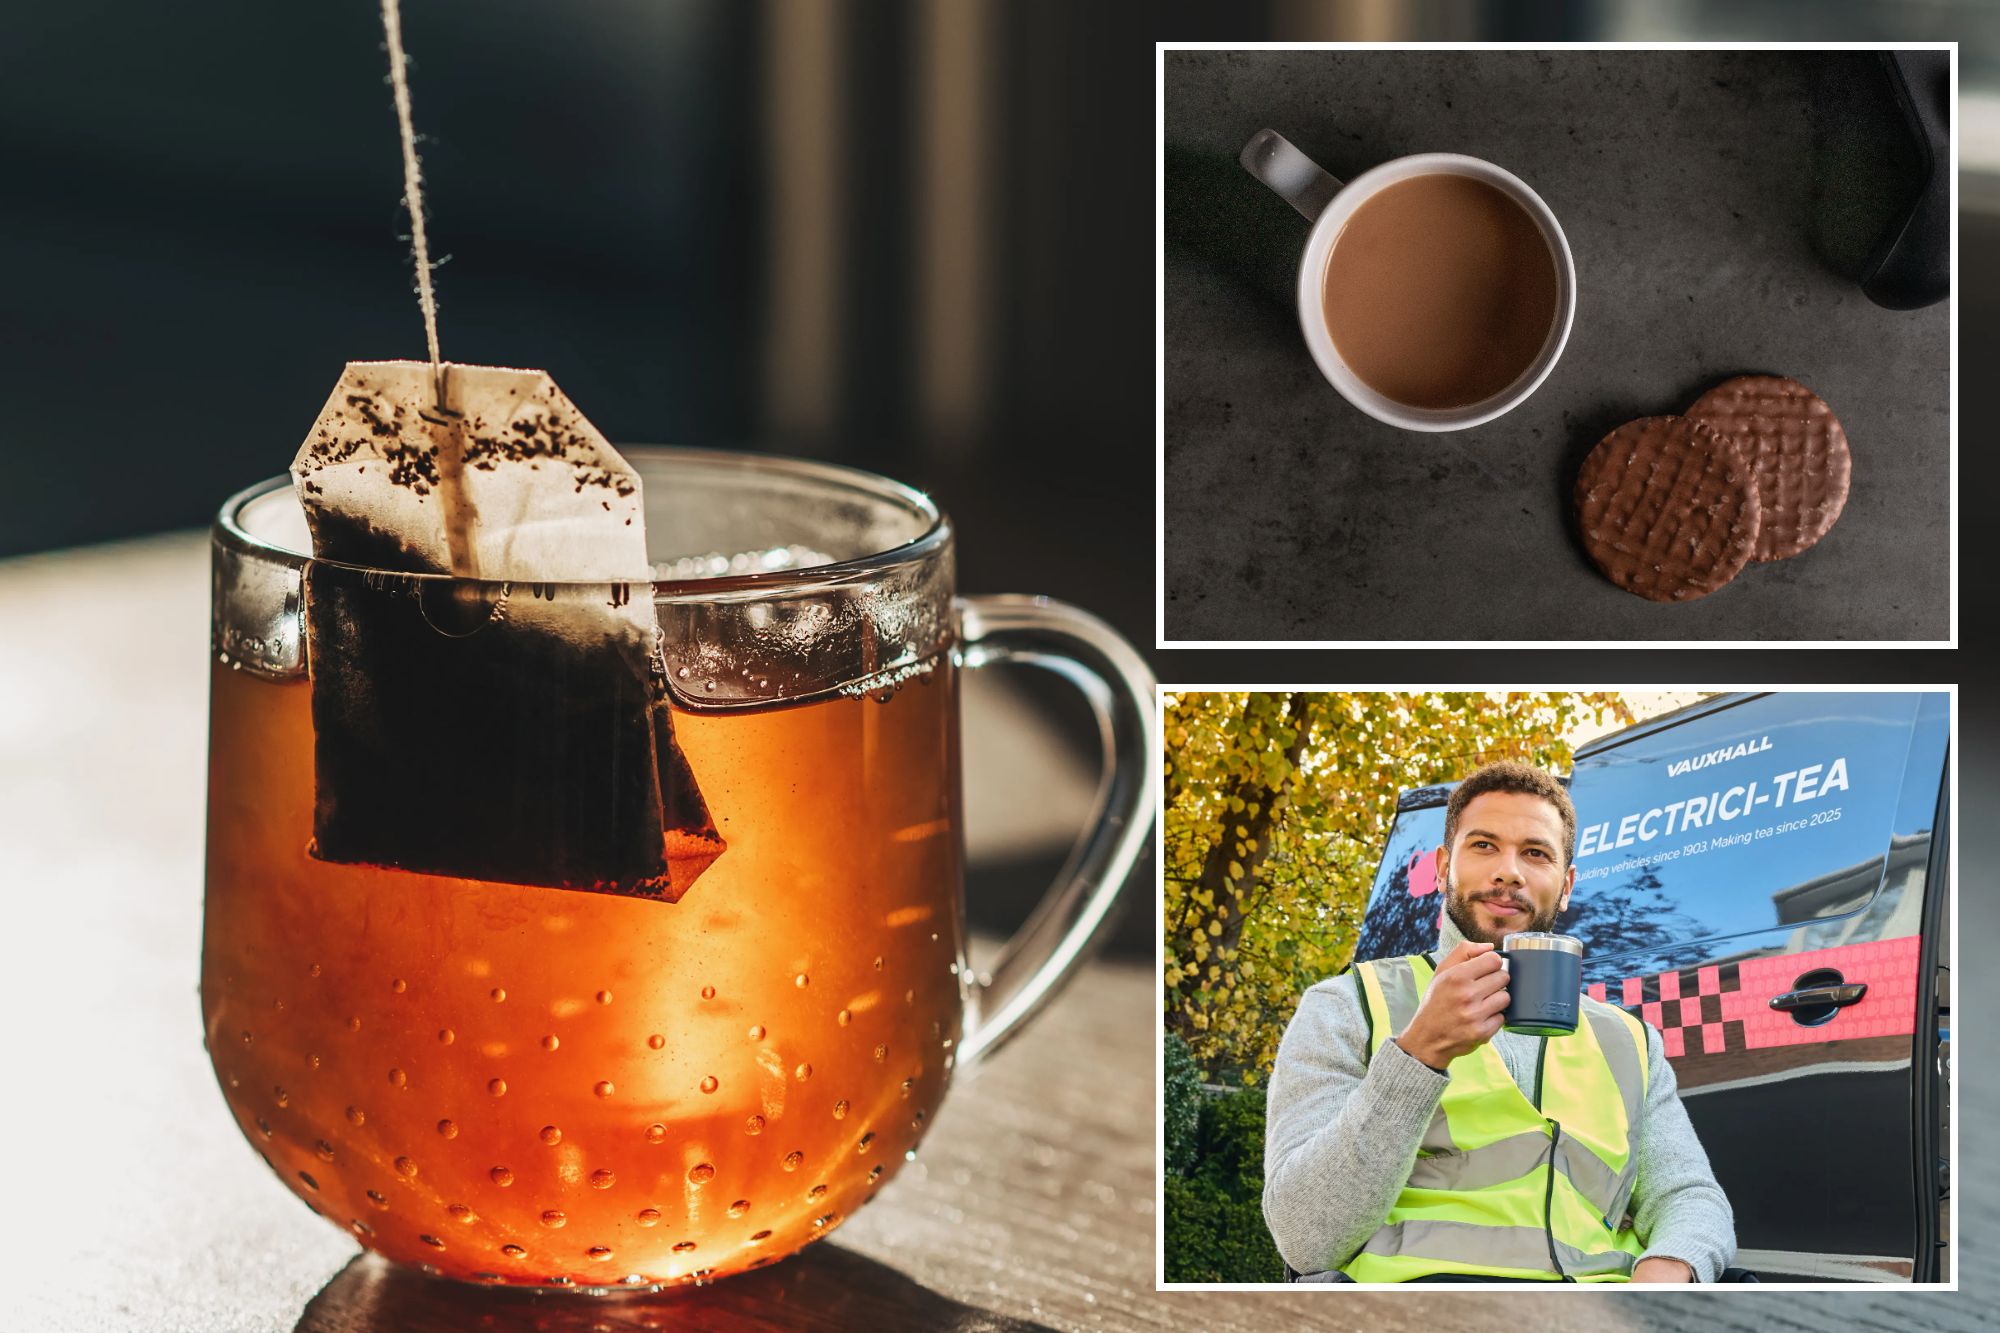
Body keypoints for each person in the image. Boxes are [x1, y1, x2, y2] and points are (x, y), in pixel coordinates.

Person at [1262, 759, 1735, 1283]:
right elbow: (1306, 1238)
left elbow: (1688, 1196)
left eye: (1535, 853)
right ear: (1442, 867)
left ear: (1567, 884)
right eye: (1484, 845)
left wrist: (1674, 1263)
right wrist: (1417, 1056)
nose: (1508, 870)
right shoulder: (1347, 1005)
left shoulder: (1631, 1041)